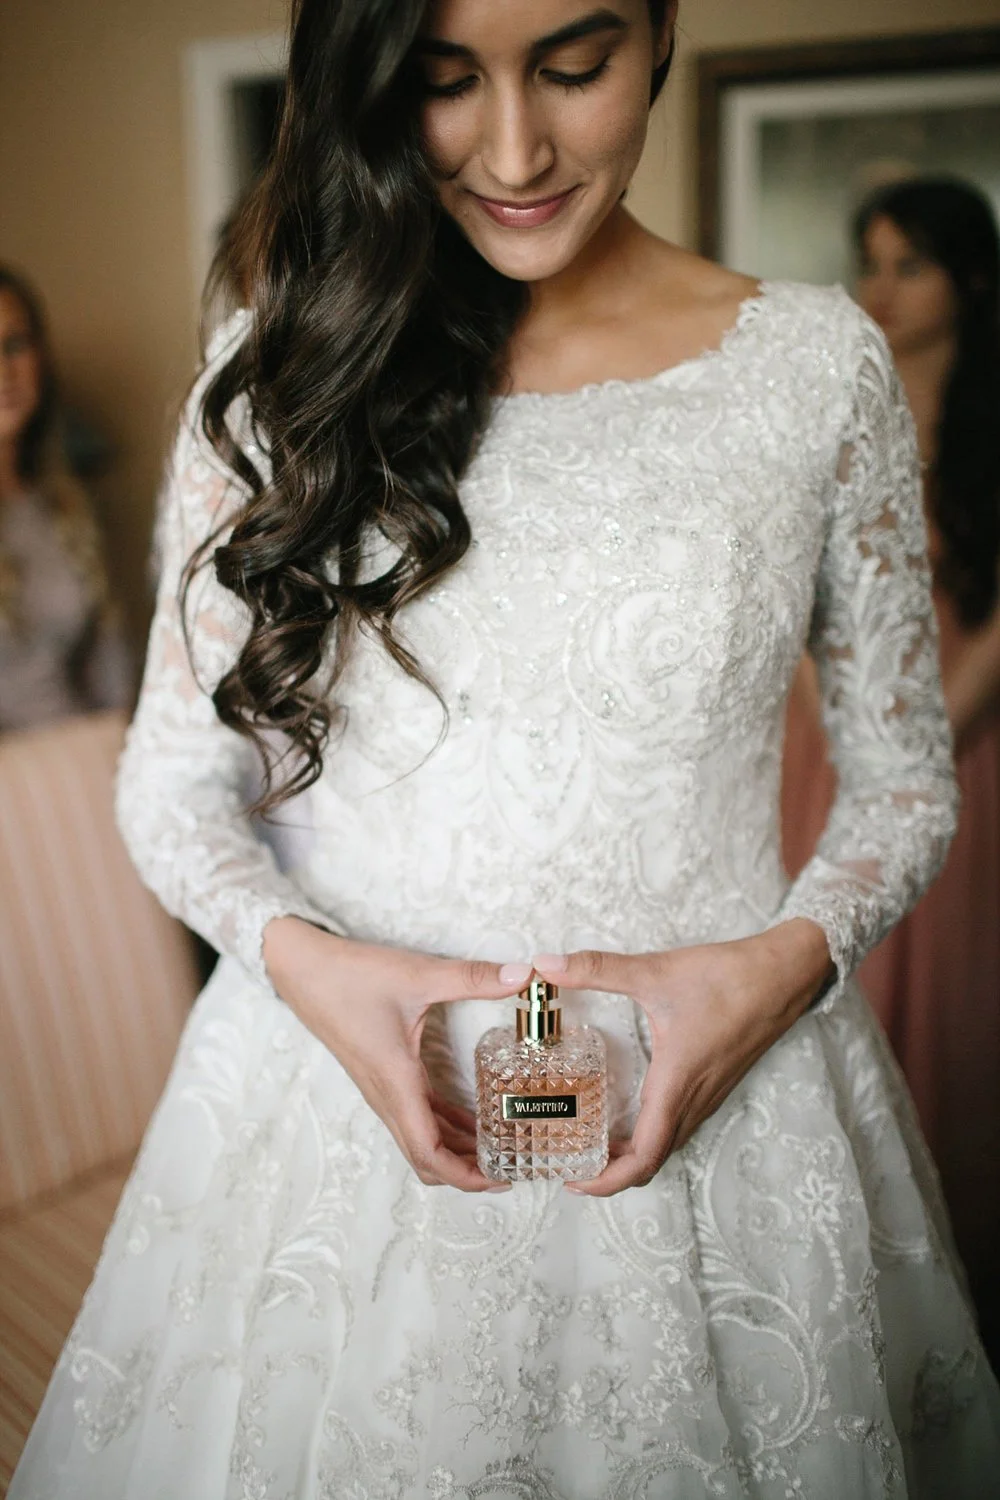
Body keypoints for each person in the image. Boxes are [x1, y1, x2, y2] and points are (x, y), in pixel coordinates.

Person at [12, 4, 1000, 1494]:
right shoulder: (278, 368)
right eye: (443, 80)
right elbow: (170, 779)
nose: (518, 148)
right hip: (335, 1106)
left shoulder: (814, 370)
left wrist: (779, 965)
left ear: (660, 32)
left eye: (576, 64)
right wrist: (310, 967)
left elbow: (908, 781)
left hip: (729, 1105)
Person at [782, 175, 1000, 1373]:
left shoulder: (987, 423)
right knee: (836, 979)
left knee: (958, 1017)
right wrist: (850, 719)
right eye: (870, 261)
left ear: (966, 276)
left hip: (968, 730)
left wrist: (937, 726)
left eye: (907, 262)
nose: (879, 288)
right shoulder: (846, 408)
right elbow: (806, 598)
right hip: (832, 733)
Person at [0, 266, 132, 731]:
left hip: (85, 760)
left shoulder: (67, 504)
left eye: (15, 345)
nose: (4, 372)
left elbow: (111, 667)